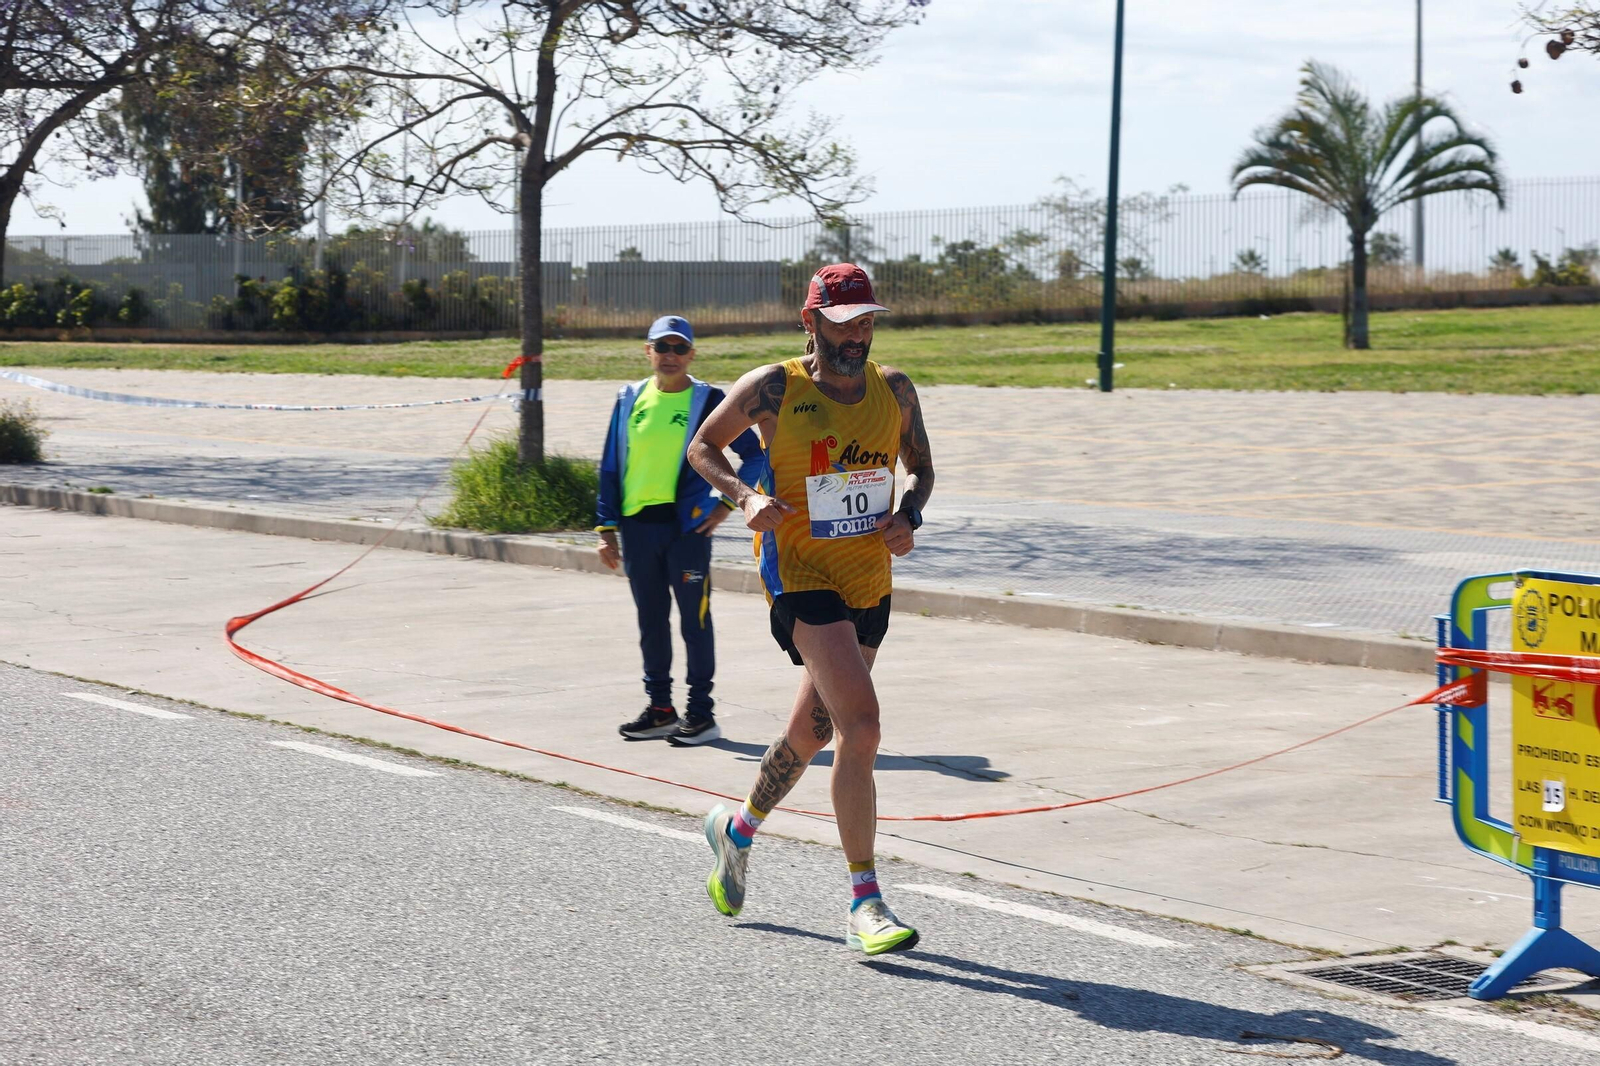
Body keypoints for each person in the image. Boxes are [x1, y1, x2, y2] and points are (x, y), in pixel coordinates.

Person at [685, 264, 935, 955]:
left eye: (867, 320)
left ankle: (735, 832)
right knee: (863, 724)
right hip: (800, 575)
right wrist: (745, 497)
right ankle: (866, 901)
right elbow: (701, 444)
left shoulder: (896, 389)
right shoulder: (775, 387)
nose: (856, 333)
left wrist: (910, 513)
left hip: (868, 580)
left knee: (815, 730)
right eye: (842, 320)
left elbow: (921, 466)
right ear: (811, 321)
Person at [596, 314, 763, 746]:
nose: (670, 356)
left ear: (692, 353)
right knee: (651, 622)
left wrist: (730, 501)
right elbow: (612, 464)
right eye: (662, 347)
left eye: (679, 348)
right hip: (637, 530)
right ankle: (660, 710)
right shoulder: (629, 398)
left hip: (686, 533)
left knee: (695, 622)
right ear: (647, 351)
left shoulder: (709, 400)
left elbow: (757, 453)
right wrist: (605, 526)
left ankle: (701, 715)